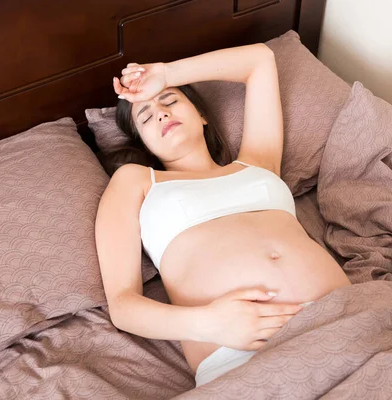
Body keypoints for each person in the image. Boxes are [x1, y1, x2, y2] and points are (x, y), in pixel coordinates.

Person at [95, 43, 351, 387]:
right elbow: (122, 306)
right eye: (146, 116)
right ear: (146, 144)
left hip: (343, 320)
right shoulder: (137, 182)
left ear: (201, 114)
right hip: (242, 353)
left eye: (169, 100)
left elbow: (259, 60)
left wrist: (166, 74)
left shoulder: (256, 163)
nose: (159, 112)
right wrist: (209, 323)